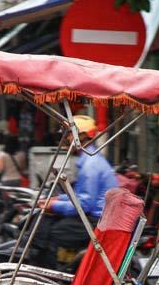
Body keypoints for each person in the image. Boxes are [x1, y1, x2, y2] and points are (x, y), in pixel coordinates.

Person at [33, 115, 119, 269]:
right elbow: (79, 196)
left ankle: (51, 274)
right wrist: (57, 199)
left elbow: (84, 204)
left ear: (83, 136)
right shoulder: (89, 160)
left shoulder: (91, 165)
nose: (66, 139)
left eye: (69, 135)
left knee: (53, 232)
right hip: (96, 215)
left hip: (97, 220)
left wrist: (54, 206)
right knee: (49, 222)